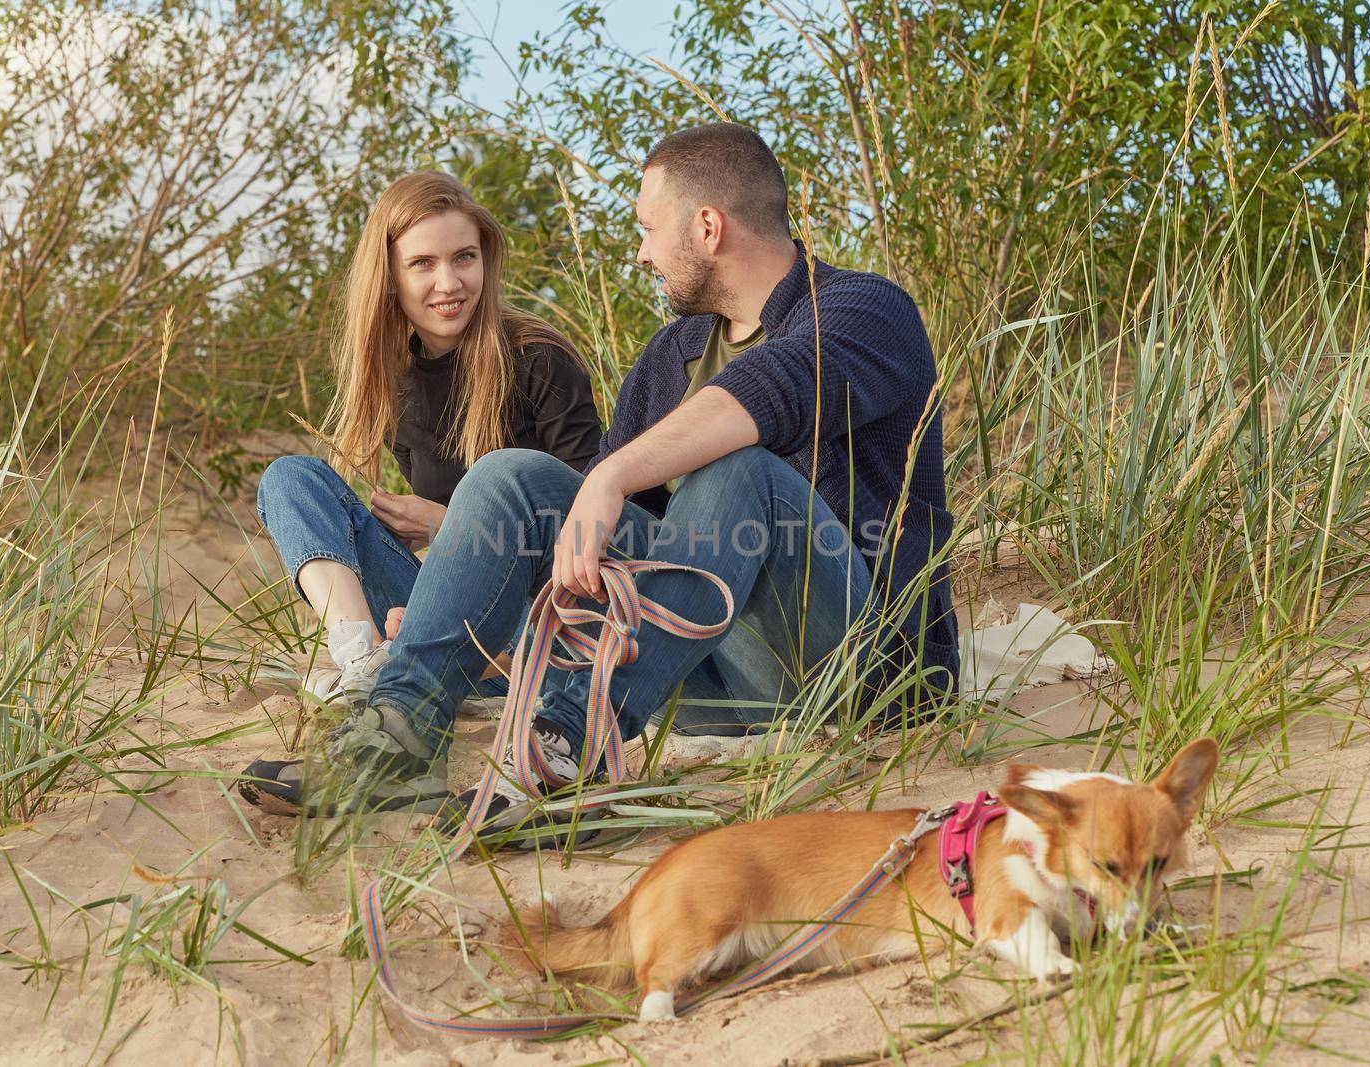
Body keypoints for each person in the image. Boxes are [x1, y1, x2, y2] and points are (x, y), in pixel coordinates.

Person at [242, 124, 960, 832]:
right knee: (510, 477)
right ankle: (394, 733)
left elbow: (773, 391)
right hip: (708, 676)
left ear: (707, 226)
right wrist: (485, 623)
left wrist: (609, 475)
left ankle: (566, 749)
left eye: (649, 228)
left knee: (743, 471)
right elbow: (607, 555)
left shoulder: (865, 309)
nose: (642, 252)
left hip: (858, 666)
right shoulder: (669, 355)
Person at [241, 172, 603, 812]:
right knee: (290, 479)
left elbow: (587, 538)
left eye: (465, 258)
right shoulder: (393, 379)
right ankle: (361, 666)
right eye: (423, 263)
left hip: (537, 626)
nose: (450, 283)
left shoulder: (540, 359)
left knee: (501, 516)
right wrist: (434, 590)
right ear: (389, 275)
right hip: (449, 607)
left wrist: (446, 526)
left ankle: (432, 673)